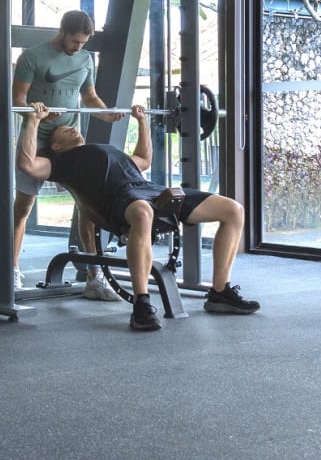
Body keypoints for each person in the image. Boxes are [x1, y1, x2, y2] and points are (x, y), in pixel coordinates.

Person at [16, 102, 258, 332]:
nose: (71, 128)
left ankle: (219, 292)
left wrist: (141, 121)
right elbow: (27, 164)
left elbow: (144, 159)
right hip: (118, 199)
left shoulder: (107, 150)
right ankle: (141, 304)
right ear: (56, 147)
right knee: (143, 212)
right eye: (62, 131)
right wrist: (33, 120)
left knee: (233, 210)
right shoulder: (61, 162)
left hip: (150, 190)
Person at [10, 10, 123, 298]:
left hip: (70, 142)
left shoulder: (86, 59)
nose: (78, 47)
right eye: (75, 41)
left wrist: (107, 114)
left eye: (83, 42)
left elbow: (89, 97)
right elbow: (17, 99)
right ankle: (11, 271)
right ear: (62, 31)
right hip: (37, 139)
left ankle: (94, 278)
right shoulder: (32, 57)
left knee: (87, 208)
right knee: (22, 209)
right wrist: (36, 113)